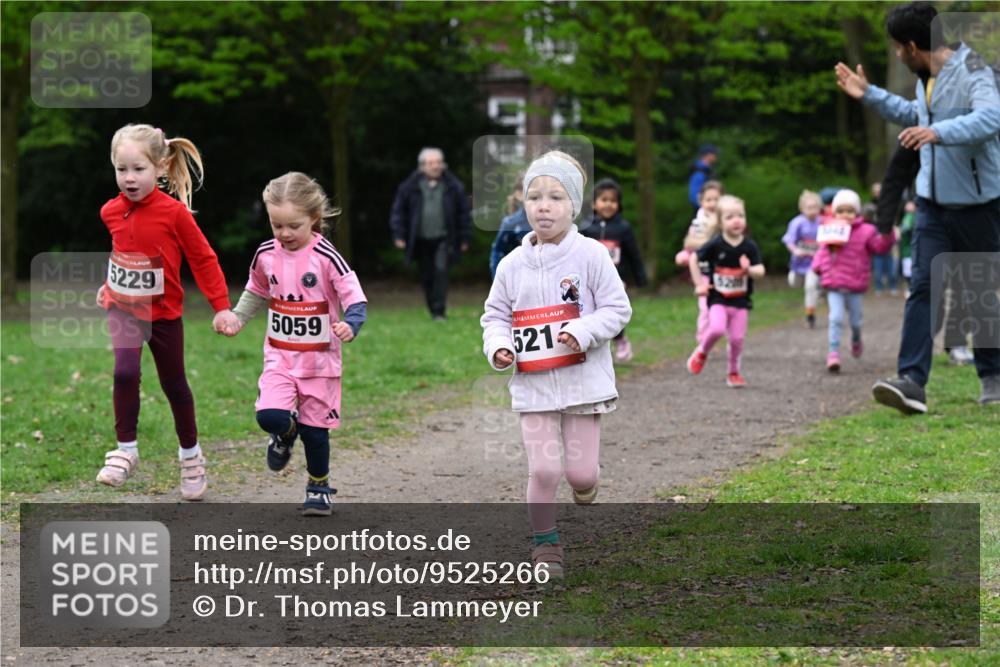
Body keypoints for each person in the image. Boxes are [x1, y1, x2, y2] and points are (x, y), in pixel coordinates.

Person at [835, 0, 1000, 411]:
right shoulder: (927, 78)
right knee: (923, 286)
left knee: (978, 290)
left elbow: (990, 119)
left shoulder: (975, 70)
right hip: (931, 205)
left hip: (978, 205)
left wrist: (937, 132)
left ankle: (993, 376)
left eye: (897, 47)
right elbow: (916, 115)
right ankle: (911, 381)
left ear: (911, 46)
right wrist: (870, 94)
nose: (896, 55)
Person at [481, 151, 632, 578]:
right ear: (523, 203)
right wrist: (499, 346)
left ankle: (587, 482)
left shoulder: (592, 255)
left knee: (580, 474)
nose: (543, 206)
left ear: (574, 206)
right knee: (544, 469)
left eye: (555, 197)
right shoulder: (511, 265)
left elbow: (618, 309)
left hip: (584, 382)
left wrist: (583, 330)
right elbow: (495, 316)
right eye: (535, 197)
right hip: (534, 385)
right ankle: (546, 547)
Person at [95, 124, 237, 500]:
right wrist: (109, 285)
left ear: (160, 167)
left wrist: (221, 307)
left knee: (174, 384)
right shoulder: (110, 211)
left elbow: (203, 258)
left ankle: (190, 456)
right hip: (123, 309)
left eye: (138, 169)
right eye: (121, 169)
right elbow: (124, 252)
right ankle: (126, 450)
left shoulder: (174, 214)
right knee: (125, 372)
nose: (129, 178)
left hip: (164, 315)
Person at [219, 172, 367, 516]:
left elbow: (353, 295)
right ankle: (285, 434)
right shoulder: (266, 254)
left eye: (293, 226)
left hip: (320, 364)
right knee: (269, 415)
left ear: (313, 218)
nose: (284, 233)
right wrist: (238, 317)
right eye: (276, 225)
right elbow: (256, 289)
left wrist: (351, 323)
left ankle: (318, 486)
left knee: (315, 434)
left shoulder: (326, 256)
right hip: (280, 358)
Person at [810, 189, 896, 372]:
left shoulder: (866, 231)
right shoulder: (830, 230)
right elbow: (823, 251)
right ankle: (833, 353)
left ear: (857, 212)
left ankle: (856, 337)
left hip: (855, 284)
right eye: (841, 211)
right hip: (834, 284)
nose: (845, 215)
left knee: (855, 322)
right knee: (835, 318)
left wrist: (888, 236)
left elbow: (879, 247)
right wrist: (817, 266)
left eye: (850, 211)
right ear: (834, 212)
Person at [685, 195, 765, 388]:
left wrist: (749, 270)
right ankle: (702, 352)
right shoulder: (716, 243)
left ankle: (734, 373)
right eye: (730, 217)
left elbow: (761, 271)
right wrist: (699, 285)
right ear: (720, 222)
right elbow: (694, 258)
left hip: (740, 301)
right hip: (718, 298)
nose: (736, 220)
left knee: (737, 339)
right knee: (717, 328)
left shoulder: (749, 246)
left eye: (740, 216)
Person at [389, 147, 472, 320]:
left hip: (445, 238)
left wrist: (465, 237)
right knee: (426, 275)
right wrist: (399, 235)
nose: (435, 166)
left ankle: (439, 311)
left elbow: (464, 214)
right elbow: (398, 212)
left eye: (438, 162)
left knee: (441, 271)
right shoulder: (409, 187)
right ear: (422, 166)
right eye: (431, 163)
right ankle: (433, 308)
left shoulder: (454, 187)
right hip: (420, 240)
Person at [581, 178, 647, 362]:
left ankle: (621, 340)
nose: (608, 204)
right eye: (604, 200)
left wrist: (640, 277)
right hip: (590, 280)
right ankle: (596, 344)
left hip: (617, 279)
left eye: (613, 200)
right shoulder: (586, 228)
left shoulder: (623, 229)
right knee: (591, 310)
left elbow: (633, 254)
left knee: (614, 309)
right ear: (594, 204)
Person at [675, 180, 724, 342]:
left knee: (721, 309)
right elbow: (689, 243)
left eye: (716, 199)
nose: (713, 203)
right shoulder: (697, 223)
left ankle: (718, 336)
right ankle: (703, 340)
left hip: (722, 273)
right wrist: (687, 253)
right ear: (701, 202)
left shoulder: (726, 221)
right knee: (705, 308)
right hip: (703, 272)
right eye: (709, 200)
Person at [782, 190, 823, 328]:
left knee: (810, 287)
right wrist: (795, 250)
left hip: (814, 263)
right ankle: (816, 289)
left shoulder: (822, 222)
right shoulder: (797, 222)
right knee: (794, 283)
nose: (813, 211)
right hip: (798, 263)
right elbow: (789, 240)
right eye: (809, 208)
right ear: (802, 209)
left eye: (815, 207)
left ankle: (810, 315)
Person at [488, 175, 531, 279]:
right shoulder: (510, 223)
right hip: (520, 280)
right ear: (519, 195)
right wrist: (499, 281)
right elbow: (497, 251)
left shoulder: (555, 220)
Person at [688, 144, 719, 214]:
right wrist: (706, 207)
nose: (716, 156)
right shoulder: (699, 172)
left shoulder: (707, 170)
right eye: (714, 153)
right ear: (707, 155)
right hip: (704, 211)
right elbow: (694, 196)